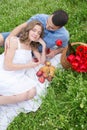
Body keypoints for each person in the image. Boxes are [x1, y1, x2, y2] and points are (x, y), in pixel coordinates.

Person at [0, 20, 46, 105]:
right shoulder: (15, 41)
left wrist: (43, 45)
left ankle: (3, 96)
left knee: (32, 92)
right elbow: (7, 66)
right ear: (28, 30)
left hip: (17, 74)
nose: (36, 34)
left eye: (39, 33)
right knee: (25, 93)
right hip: (5, 71)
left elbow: (42, 61)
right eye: (34, 30)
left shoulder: (32, 47)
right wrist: (28, 65)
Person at [0, 9, 69, 58]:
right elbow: (22, 27)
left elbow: (63, 47)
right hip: (22, 38)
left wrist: (55, 52)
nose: (47, 27)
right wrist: (10, 37)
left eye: (52, 28)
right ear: (51, 15)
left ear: (60, 27)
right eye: (47, 22)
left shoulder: (63, 35)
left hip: (33, 50)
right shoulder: (40, 17)